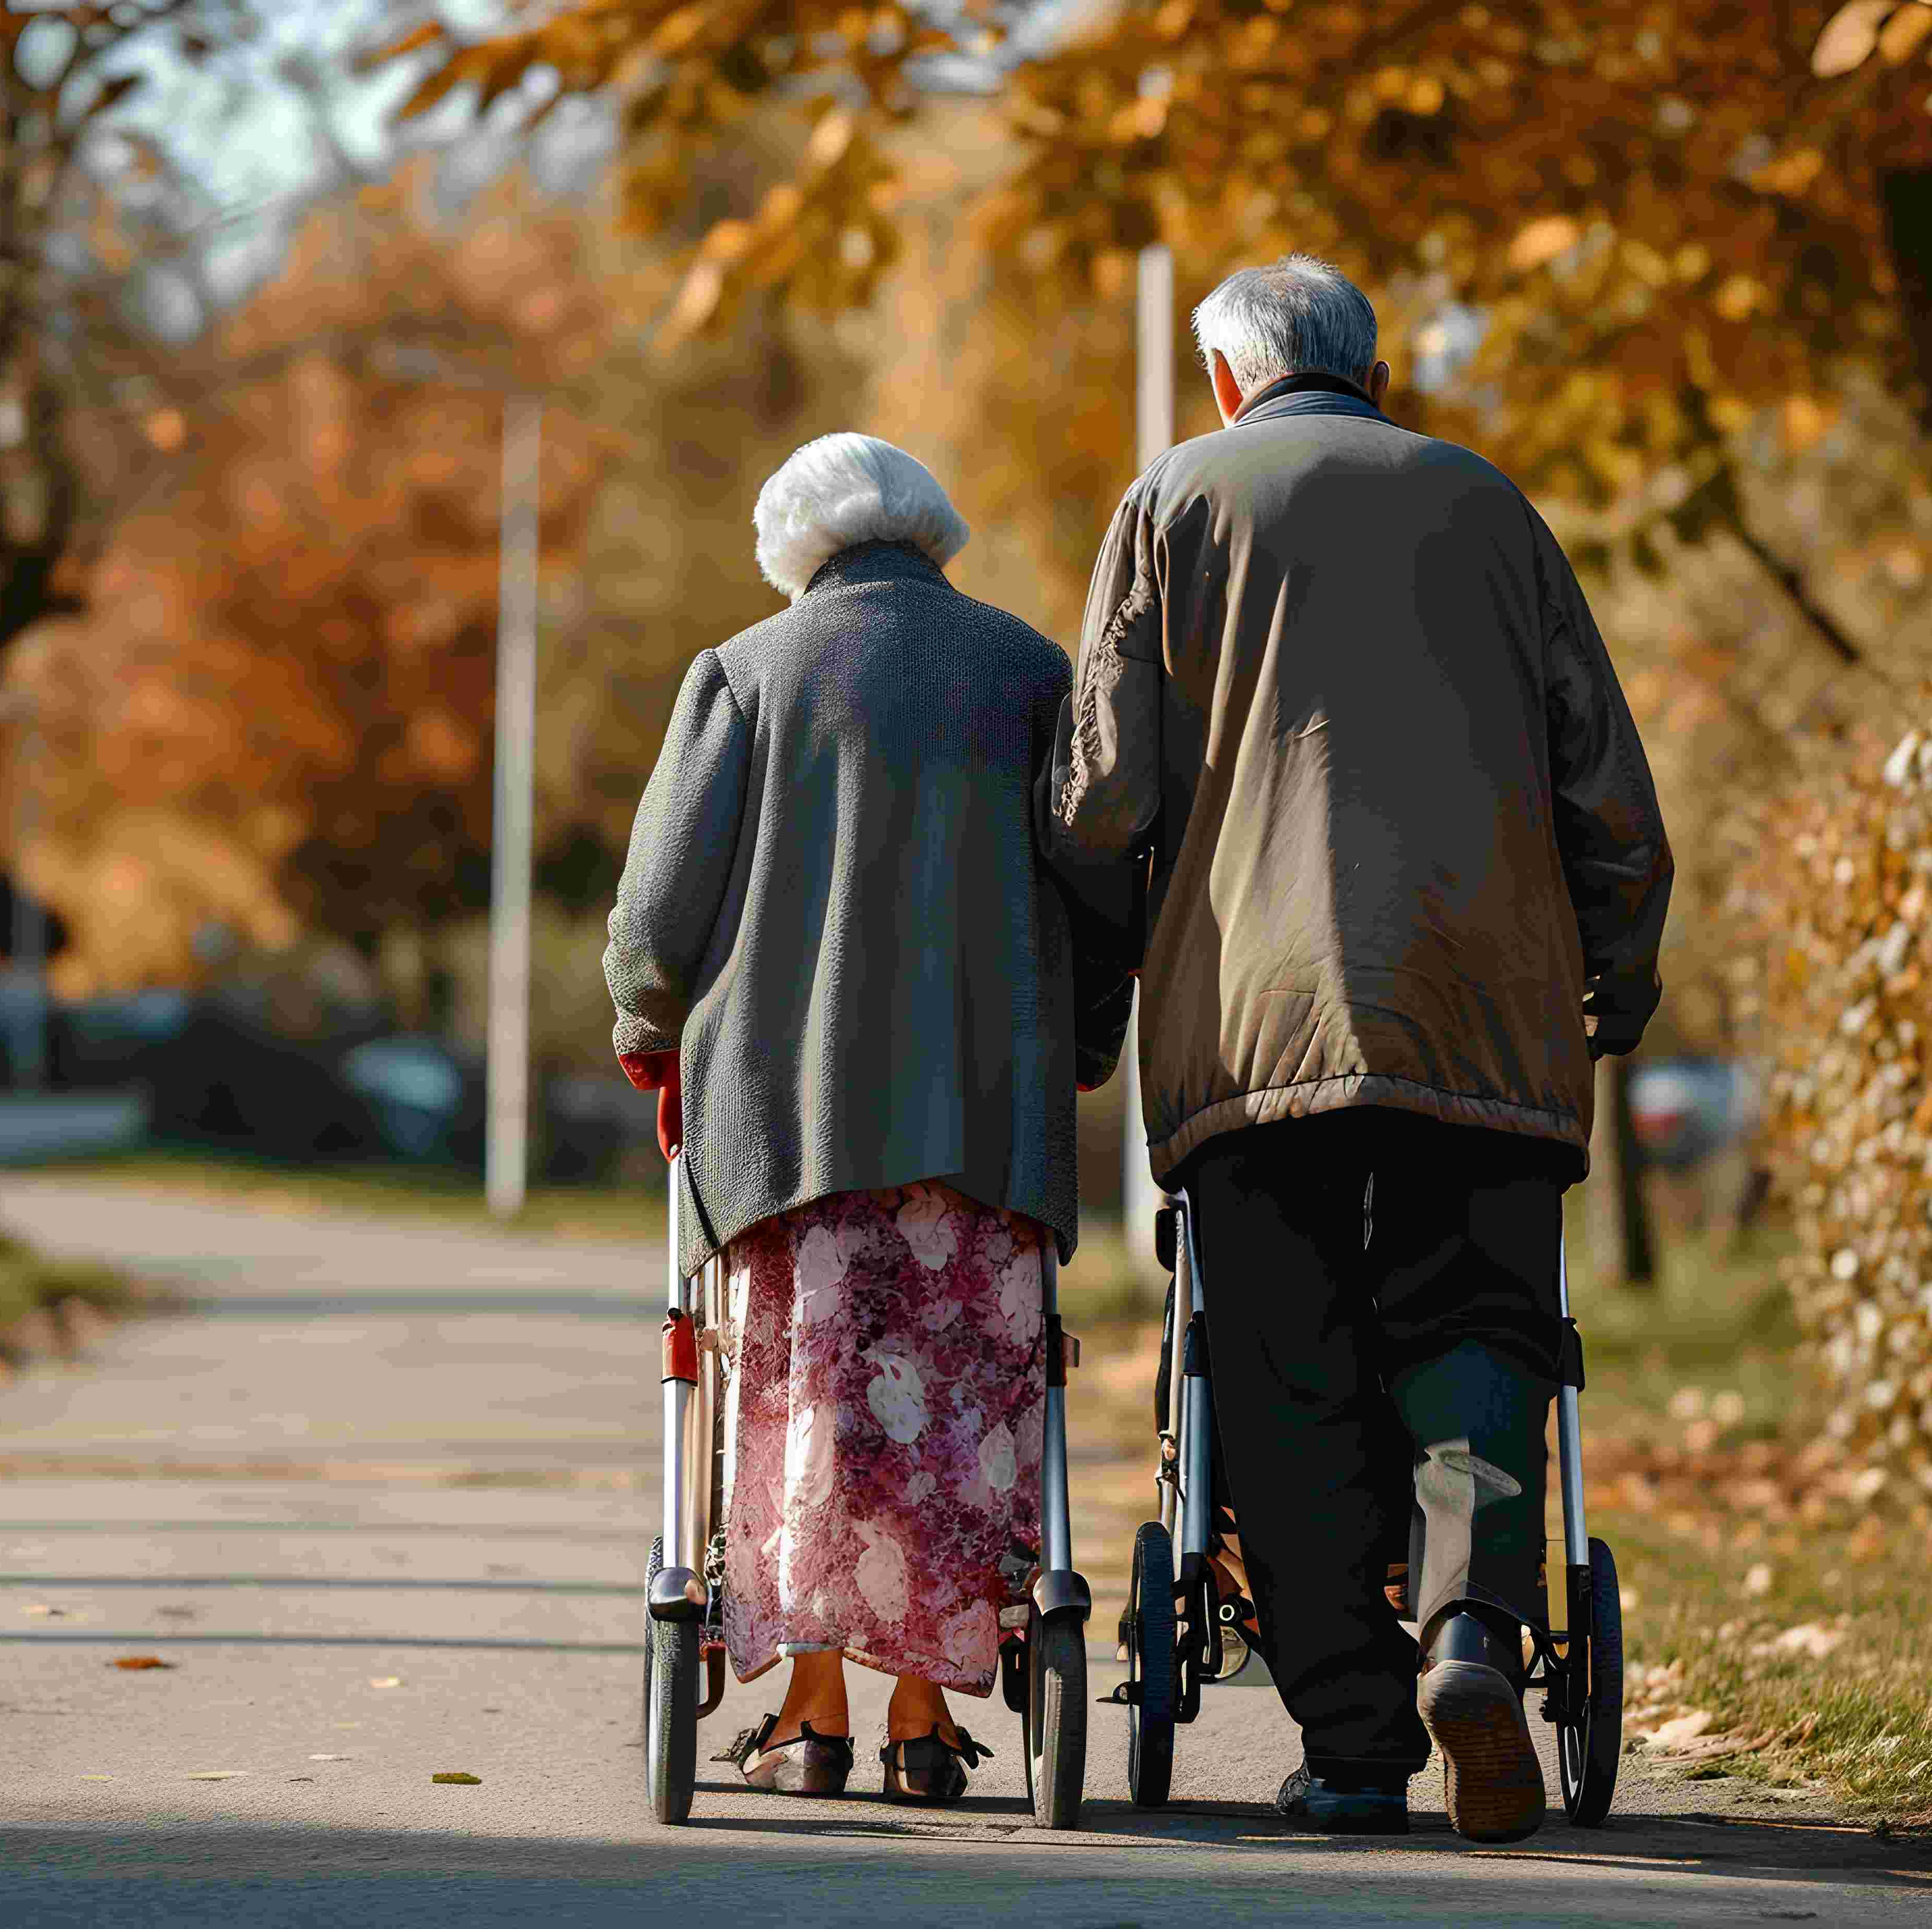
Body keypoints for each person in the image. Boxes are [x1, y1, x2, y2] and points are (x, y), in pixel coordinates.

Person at [1036, 256, 1674, 1844]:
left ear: (1232, 381)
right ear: (1367, 370)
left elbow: (1099, 802)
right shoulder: (1493, 510)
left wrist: (1100, 999)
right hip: (1485, 1016)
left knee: (1284, 1371)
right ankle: (1469, 1624)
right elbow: (1609, 792)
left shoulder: (1175, 506)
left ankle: (1355, 1742)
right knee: (1477, 1335)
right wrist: (1615, 980)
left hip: (1258, 1029)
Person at [605, 434, 1126, 1805]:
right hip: (987, 1124)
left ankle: (812, 1719)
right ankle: (920, 1722)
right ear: (929, 533)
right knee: (960, 1415)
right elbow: (1094, 887)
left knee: (813, 1409)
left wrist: (645, 1025)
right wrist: (1084, 1042)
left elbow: (659, 918)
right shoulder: (1030, 677)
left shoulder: (743, 676)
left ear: (796, 545)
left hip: (792, 1130)